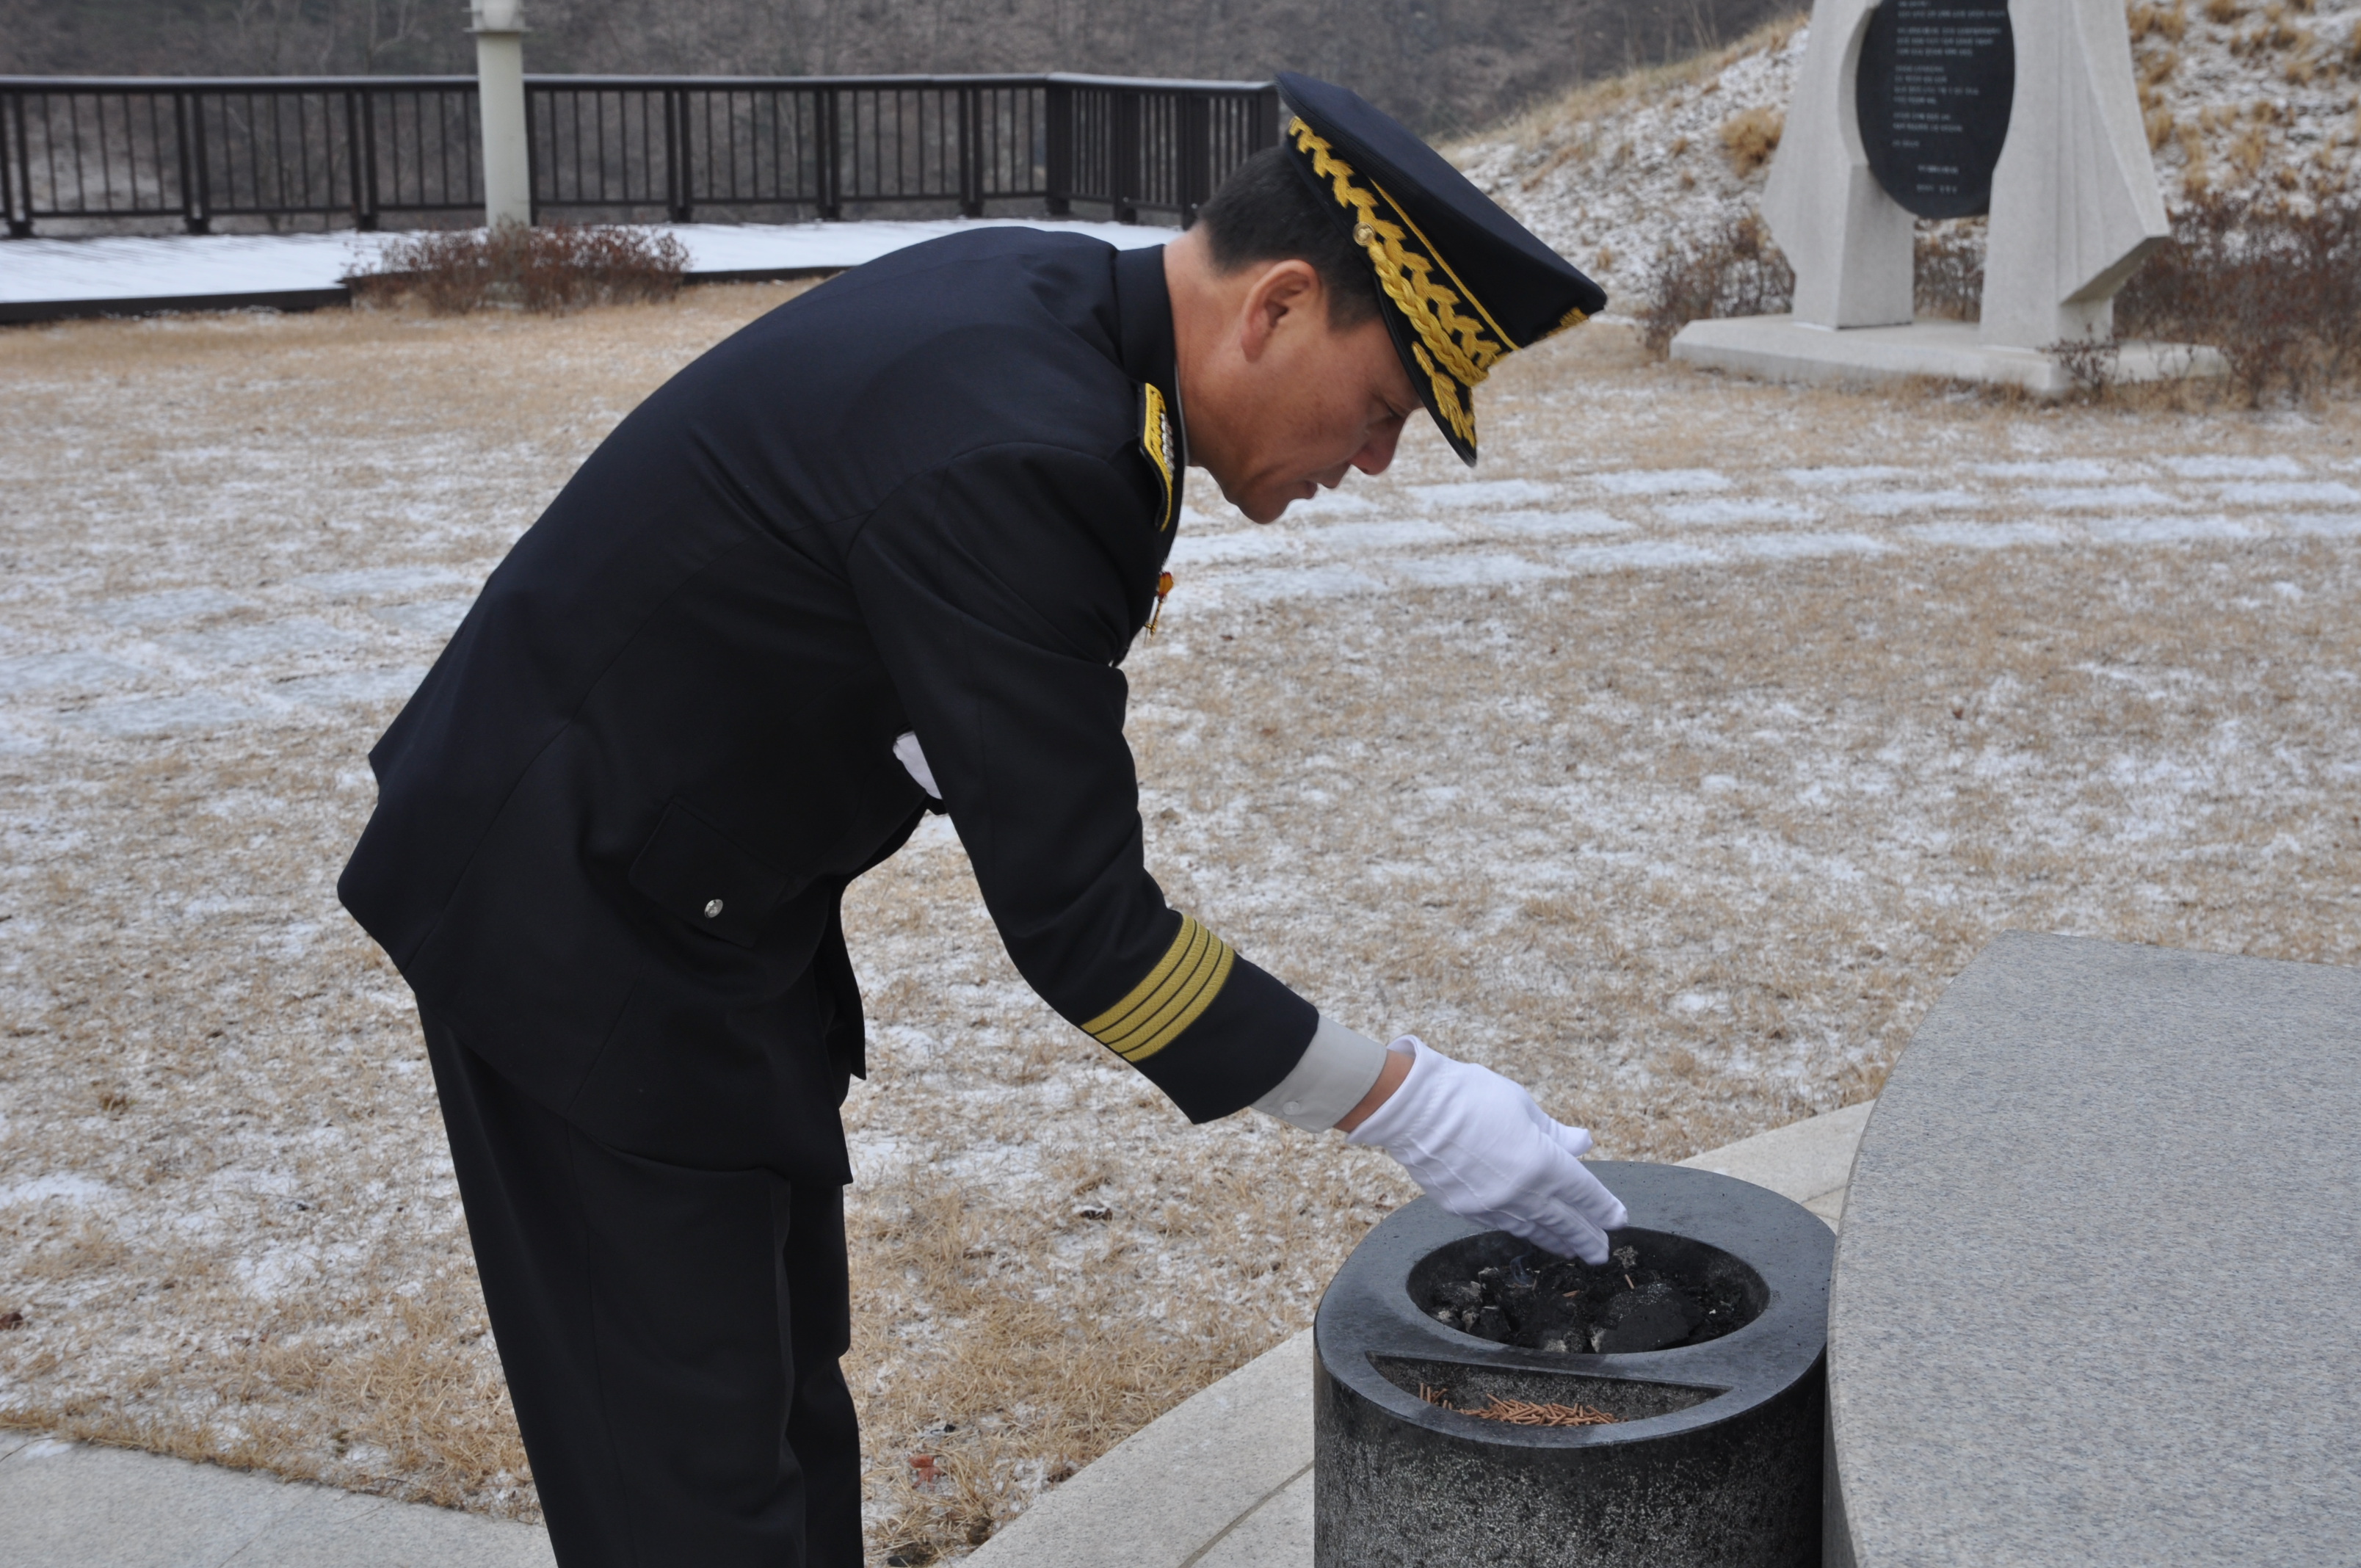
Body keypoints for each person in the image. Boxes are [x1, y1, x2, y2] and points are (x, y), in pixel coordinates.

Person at [338, 71, 1627, 1568]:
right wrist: (1407, 1101)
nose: (1376, 459)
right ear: (1278, 305)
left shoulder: (1064, 325)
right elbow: (1092, 935)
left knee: (779, 1414)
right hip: (573, 922)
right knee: (687, 1487)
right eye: (1387, 407)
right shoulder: (1032, 446)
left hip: (708, 905)